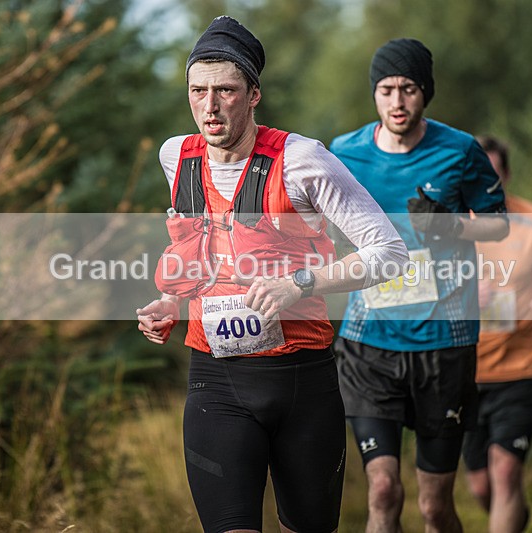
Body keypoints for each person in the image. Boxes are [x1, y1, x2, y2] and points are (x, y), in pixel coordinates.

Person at [136, 16, 408, 533]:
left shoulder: (303, 161)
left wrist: (300, 284)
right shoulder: (176, 157)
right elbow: (207, 252)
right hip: (216, 380)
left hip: (301, 382)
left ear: (254, 94)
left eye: (226, 91)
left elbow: (390, 252)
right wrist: (172, 303)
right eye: (198, 91)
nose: (210, 107)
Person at [330, 38, 509, 533]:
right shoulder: (344, 153)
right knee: (383, 492)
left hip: (442, 346)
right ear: (375, 94)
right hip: (369, 344)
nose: (397, 102)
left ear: (425, 93)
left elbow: (499, 225)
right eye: (386, 90)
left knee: (434, 507)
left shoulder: (459, 150)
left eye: (408, 89)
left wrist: (449, 226)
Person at [462, 135, 532, 532]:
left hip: (521, 368)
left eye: (493, 175)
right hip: (463, 373)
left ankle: (507, 509)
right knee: (481, 485)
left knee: (506, 471)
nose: (485, 184)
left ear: (506, 175)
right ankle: (512, 515)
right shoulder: (443, 225)